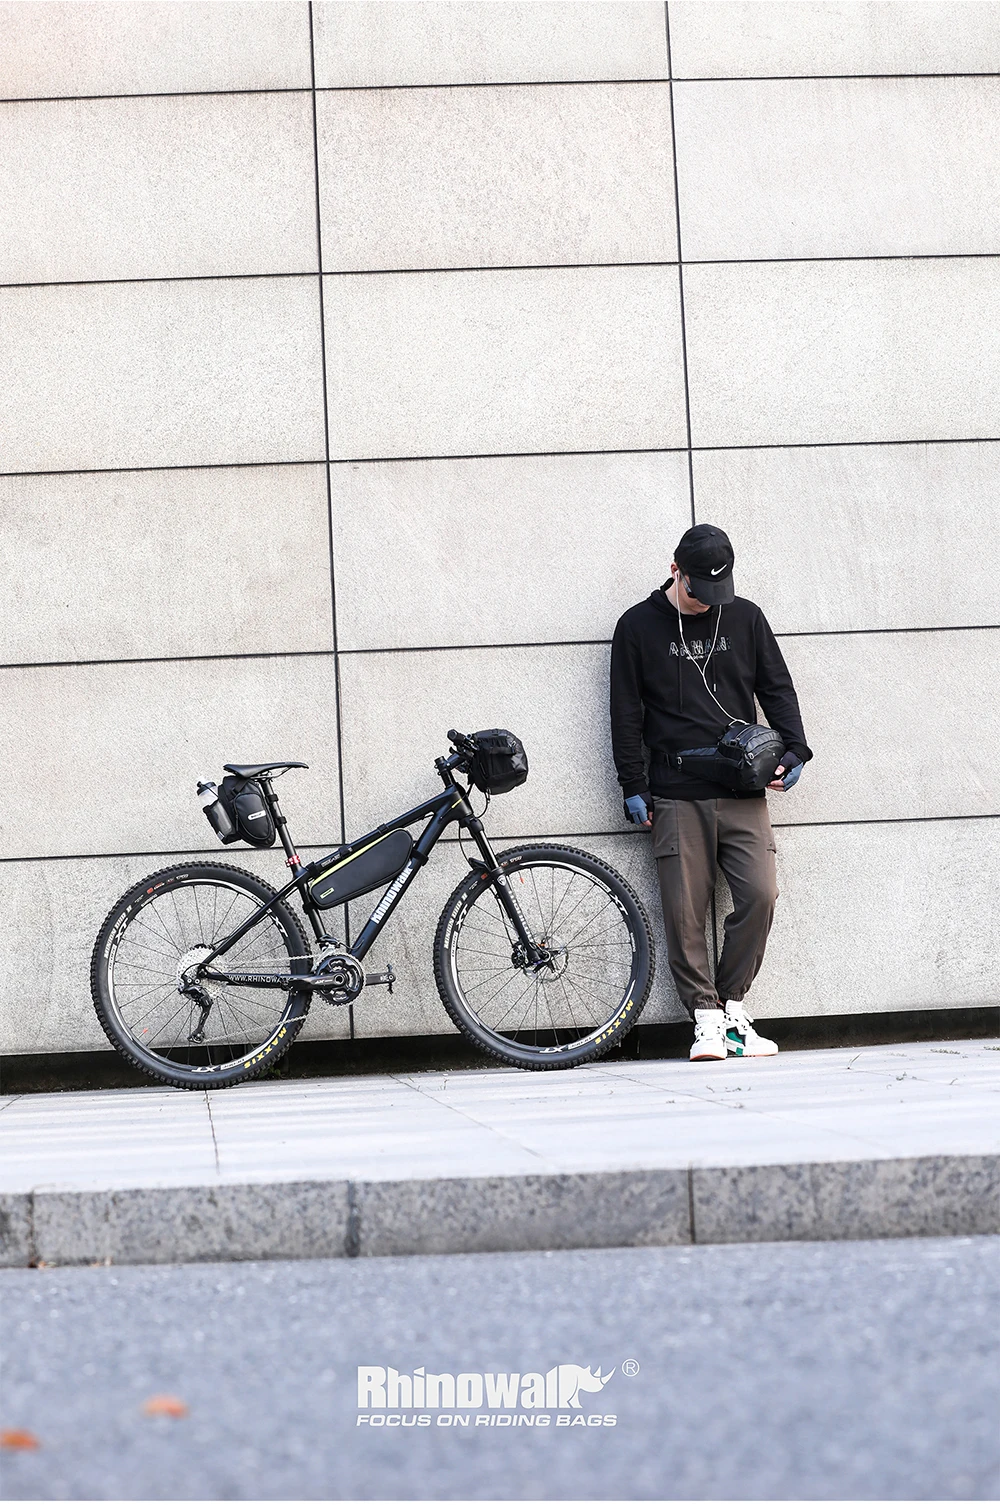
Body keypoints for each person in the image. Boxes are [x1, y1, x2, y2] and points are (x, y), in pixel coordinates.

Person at [610, 524, 812, 1061]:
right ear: (676, 569)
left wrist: (796, 749)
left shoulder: (745, 617)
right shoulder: (637, 626)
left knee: (761, 895)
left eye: (718, 590)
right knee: (684, 911)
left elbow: (776, 687)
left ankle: (732, 1010)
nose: (708, 601)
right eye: (699, 590)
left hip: (743, 789)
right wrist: (633, 783)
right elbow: (625, 713)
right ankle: (704, 1019)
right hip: (676, 792)